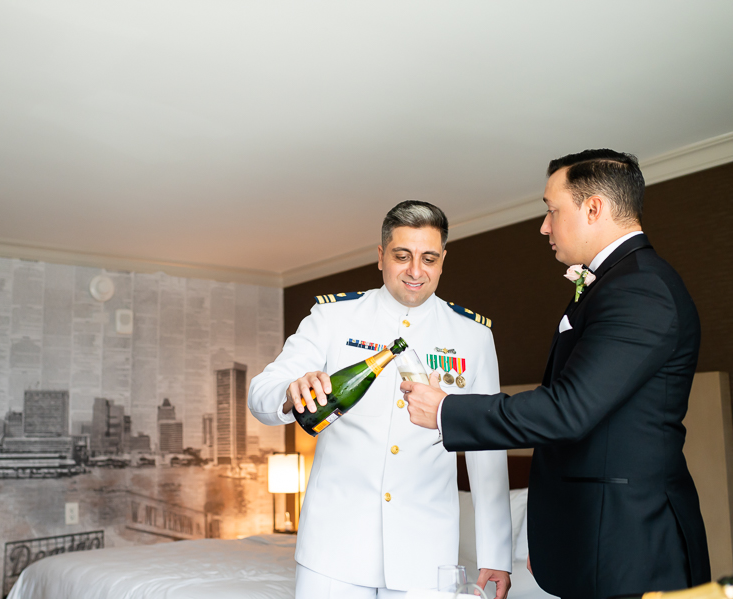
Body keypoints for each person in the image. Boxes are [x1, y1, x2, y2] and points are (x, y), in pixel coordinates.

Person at [402, 150, 711, 599]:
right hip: (594, 535)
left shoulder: (641, 288)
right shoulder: (616, 282)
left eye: (551, 210)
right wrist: (554, 534)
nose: (544, 226)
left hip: (630, 544)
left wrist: (447, 410)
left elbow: (568, 409)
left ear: (593, 209)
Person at [249, 201, 513, 598]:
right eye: (402, 256)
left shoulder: (473, 336)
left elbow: (487, 448)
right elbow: (261, 392)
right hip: (333, 549)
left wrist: (496, 553)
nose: (415, 271)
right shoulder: (333, 317)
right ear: (381, 256)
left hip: (427, 552)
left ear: (442, 261)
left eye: (429, 258)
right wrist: (291, 391)